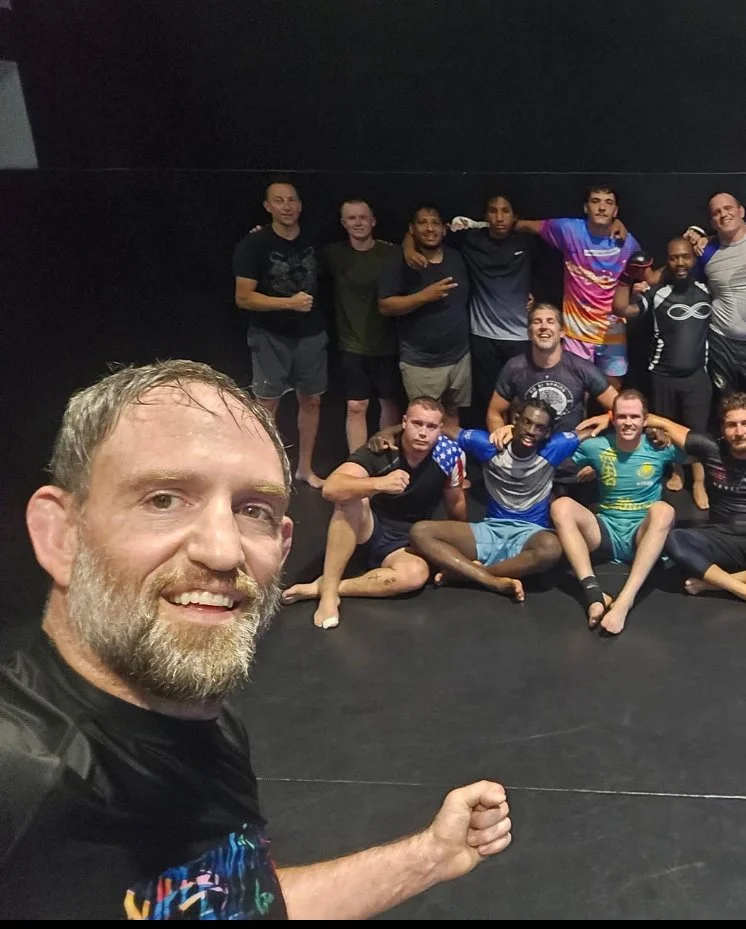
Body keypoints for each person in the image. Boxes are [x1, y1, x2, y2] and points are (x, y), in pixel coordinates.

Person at [1, 361, 512, 920]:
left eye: (253, 510)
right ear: (61, 536)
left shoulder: (204, 718)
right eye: (164, 499)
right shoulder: (21, 774)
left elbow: (229, 903)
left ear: (284, 543)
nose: (223, 552)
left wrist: (430, 857)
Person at [282, 396, 467, 628]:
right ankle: (328, 596)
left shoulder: (449, 455)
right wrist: (379, 483)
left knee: (416, 574)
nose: (423, 432)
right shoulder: (382, 450)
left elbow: (456, 502)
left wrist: (464, 544)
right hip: (368, 528)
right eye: (417, 423)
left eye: (431, 427)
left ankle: (325, 587)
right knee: (349, 499)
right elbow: (331, 488)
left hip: (407, 541)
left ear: (440, 429)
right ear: (404, 422)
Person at [410, 399, 590, 600]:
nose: (531, 430)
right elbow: (442, 427)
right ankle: (491, 580)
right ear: (515, 421)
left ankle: (469, 574)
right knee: (420, 532)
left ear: (547, 433)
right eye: (527, 422)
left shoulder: (554, 447)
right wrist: (390, 432)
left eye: (540, 428)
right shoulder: (488, 445)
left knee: (551, 547)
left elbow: (596, 430)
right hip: (490, 531)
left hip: (529, 535)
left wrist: (606, 417)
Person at [552, 390, 686, 635]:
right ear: (612, 418)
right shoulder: (596, 446)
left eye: (635, 417)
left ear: (645, 419)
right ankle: (593, 594)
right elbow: (553, 452)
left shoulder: (659, 446)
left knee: (664, 510)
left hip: (642, 535)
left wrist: (661, 423)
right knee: (561, 506)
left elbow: (698, 445)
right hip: (606, 532)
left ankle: (625, 600)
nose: (628, 422)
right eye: (622, 416)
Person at [403, 194, 534, 414]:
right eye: (493, 211)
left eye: (505, 211)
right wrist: (408, 249)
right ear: (485, 216)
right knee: (487, 402)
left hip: (520, 336)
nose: (499, 217)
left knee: (521, 401)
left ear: (515, 216)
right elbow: (430, 234)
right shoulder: (470, 240)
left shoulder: (527, 242)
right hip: (482, 337)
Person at [233, 178, 326, 488]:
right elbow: (244, 297)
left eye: (291, 200)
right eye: (279, 200)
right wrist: (289, 303)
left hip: (311, 335)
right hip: (270, 336)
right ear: (267, 206)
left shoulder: (314, 237)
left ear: (299, 204)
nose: (286, 206)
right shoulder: (254, 245)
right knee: (266, 404)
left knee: (312, 400)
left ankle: (305, 468)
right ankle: (261, 473)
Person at [613, 237, 712, 509]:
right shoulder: (657, 294)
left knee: (698, 433)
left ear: (694, 259)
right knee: (665, 431)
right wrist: (626, 278)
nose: (680, 263)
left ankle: (699, 483)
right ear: (666, 261)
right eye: (674, 257)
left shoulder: (708, 289)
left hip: (697, 376)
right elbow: (620, 308)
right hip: (663, 375)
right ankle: (676, 472)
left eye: (686, 257)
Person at [515, 185, 644, 389]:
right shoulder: (569, 230)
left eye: (608, 203)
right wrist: (498, 224)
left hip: (612, 329)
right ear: (586, 207)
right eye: (595, 201)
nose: (602, 207)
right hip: (578, 331)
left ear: (616, 211)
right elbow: (528, 226)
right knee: (575, 389)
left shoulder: (626, 242)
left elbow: (648, 274)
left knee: (613, 390)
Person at [379, 204, 471, 431]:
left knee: (451, 417)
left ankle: (450, 466)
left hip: (459, 358)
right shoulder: (400, 262)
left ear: (444, 228)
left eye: (435, 223)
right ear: (411, 229)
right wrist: (424, 296)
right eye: (422, 223)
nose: (430, 228)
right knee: (424, 425)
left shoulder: (457, 257)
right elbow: (385, 306)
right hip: (421, 362)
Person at [322, 199, 401, 452]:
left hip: (388, 342)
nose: (358, 223)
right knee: (356, 406)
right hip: (352, 343)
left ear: (373, 221)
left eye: (362, 217)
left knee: (389, 402)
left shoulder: (392, 253)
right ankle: (357, 465)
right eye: (352, 218)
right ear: (343, 223)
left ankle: (384, 459)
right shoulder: (334, 254)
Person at [651, 393, 746, 601]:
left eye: (745, 423)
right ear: (722, 429)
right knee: (673, 538)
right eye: (732, 425)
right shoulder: (712, 449)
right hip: (723, 538)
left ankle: (713, 585)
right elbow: (663, 424)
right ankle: (740, 589)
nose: (739, 432)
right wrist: (611, 416)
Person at [683, 192, 746, 396]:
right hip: (723, 344)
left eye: (728, 208)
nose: (723, 214)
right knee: (728, 407)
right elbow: (681, 276)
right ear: (712, 221)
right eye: (717, 212)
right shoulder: (706, 251)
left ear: (741, 211)